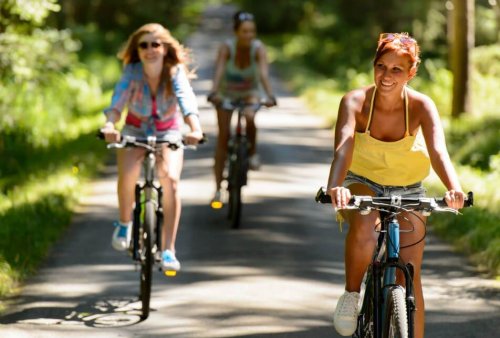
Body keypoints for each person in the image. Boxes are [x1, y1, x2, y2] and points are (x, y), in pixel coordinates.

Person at [326, 32, 466, 338]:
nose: (386, 76)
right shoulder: (355, 101)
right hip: (362, 183)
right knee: (364, 226)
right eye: (381, 66)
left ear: (411, 73)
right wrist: (335, 186)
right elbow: (344, 147)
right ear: (374, 65)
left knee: (410, 276)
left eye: (396, 70)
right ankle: (351, 295)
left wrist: (454, 189)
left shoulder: (421, 106)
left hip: (409, 189)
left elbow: (438, 151)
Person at [100, 23, 203, 272]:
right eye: (143, 45)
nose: (150, 49)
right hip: (135, 129)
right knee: (128, 173)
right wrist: (110, 124)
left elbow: (186, 101)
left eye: (155, 44)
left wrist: (195, 129)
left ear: (165, 48)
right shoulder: (132, 71)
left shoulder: (174, 72)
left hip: (168, 130)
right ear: (137, 49)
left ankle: (168, 249)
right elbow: (118, 100)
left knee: (170, 180)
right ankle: (125, 223)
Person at [207, 11, 276, 206]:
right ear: (236, 32)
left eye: (252, 31)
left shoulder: (258, 48)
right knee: (223, 138)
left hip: (249, 92)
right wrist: (213, 92)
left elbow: (263, 74)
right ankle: (217, 189)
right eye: (245, 31)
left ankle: (252, 153)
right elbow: (219, 71)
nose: (249, 35)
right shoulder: (226, 48)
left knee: (250, 116)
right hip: (226, 92)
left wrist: (269, 95)